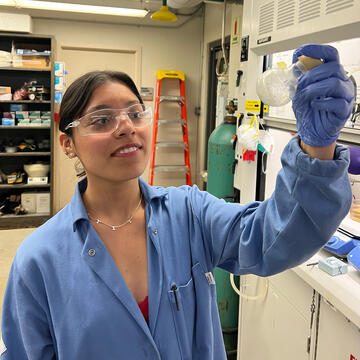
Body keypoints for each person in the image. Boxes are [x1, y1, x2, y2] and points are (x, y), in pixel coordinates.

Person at [0, 44, 355, 360]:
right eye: (102, 119)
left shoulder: (188, 213)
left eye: (135, 113)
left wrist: (317, 146)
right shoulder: (39, 259)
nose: (126, 127)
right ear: (67, 143)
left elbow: (275, 236)